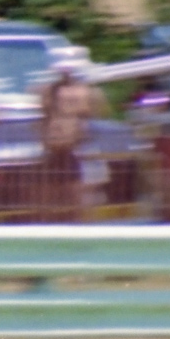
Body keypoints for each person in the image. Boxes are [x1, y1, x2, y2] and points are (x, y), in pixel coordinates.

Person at [37, 55, 108, 221]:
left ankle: (76, 223)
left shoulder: (75, 92)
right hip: (63, 147)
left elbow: (95, 111)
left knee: (78, 194)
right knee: (61, 195)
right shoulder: (54, 91)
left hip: (74, 146)